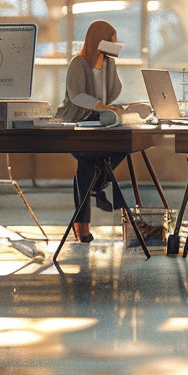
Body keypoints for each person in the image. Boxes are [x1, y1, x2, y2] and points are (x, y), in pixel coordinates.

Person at [58, 19, 126, 243]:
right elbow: (76, 95)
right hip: (78, 122)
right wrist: (100, 106)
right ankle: (85, 221)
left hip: (99, 121)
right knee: (87, 162)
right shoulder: (79, 63)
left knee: (124, 145)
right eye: (112, 41)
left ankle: (97, 185)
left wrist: (112, 65)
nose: (116, 45)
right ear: (101, 40)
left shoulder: (106, 65)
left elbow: (114, 92)